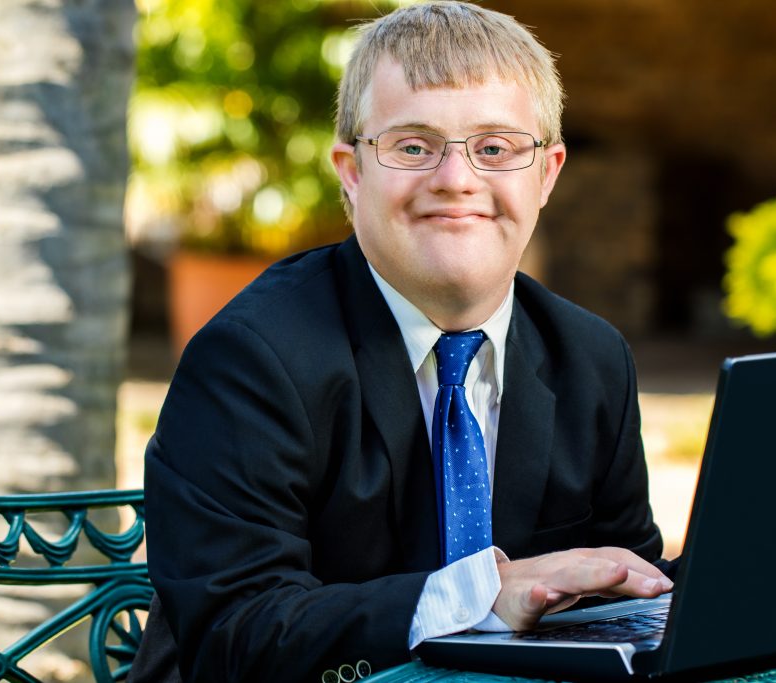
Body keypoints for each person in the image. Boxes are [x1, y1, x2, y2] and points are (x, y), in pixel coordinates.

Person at [133, 3, 676, 682]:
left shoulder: (593, 358)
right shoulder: (251, 359)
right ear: (351, 171)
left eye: (496, 148)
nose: (455, 180)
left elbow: (633, 594)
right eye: (413, 146)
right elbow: (236, 635)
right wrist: (473, 597)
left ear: (548, 172)